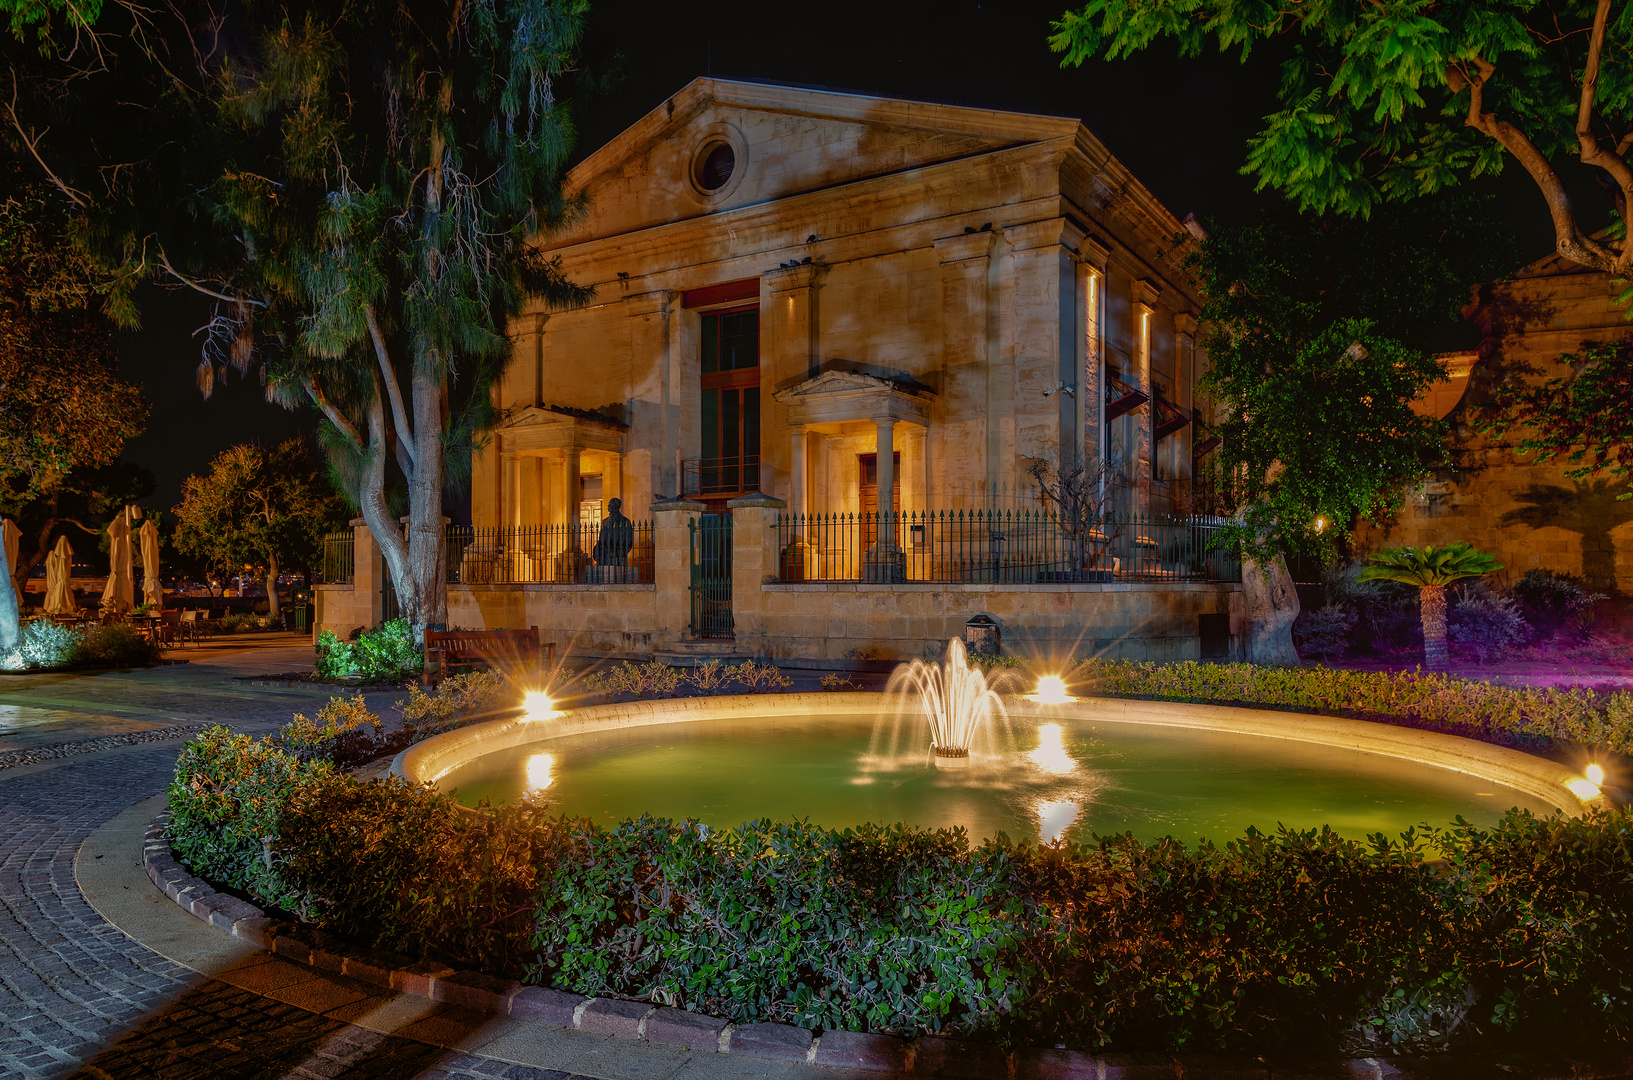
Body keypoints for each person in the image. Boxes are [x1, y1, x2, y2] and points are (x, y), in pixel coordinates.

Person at [591, 498, 635, 567]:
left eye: (610, 505)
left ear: (615, 507)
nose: (608, 507)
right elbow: (601, 538)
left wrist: (621, 552)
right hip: (605, 555)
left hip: (618, 555)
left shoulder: (625, 521)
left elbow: (628, 540)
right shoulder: (605, 521)